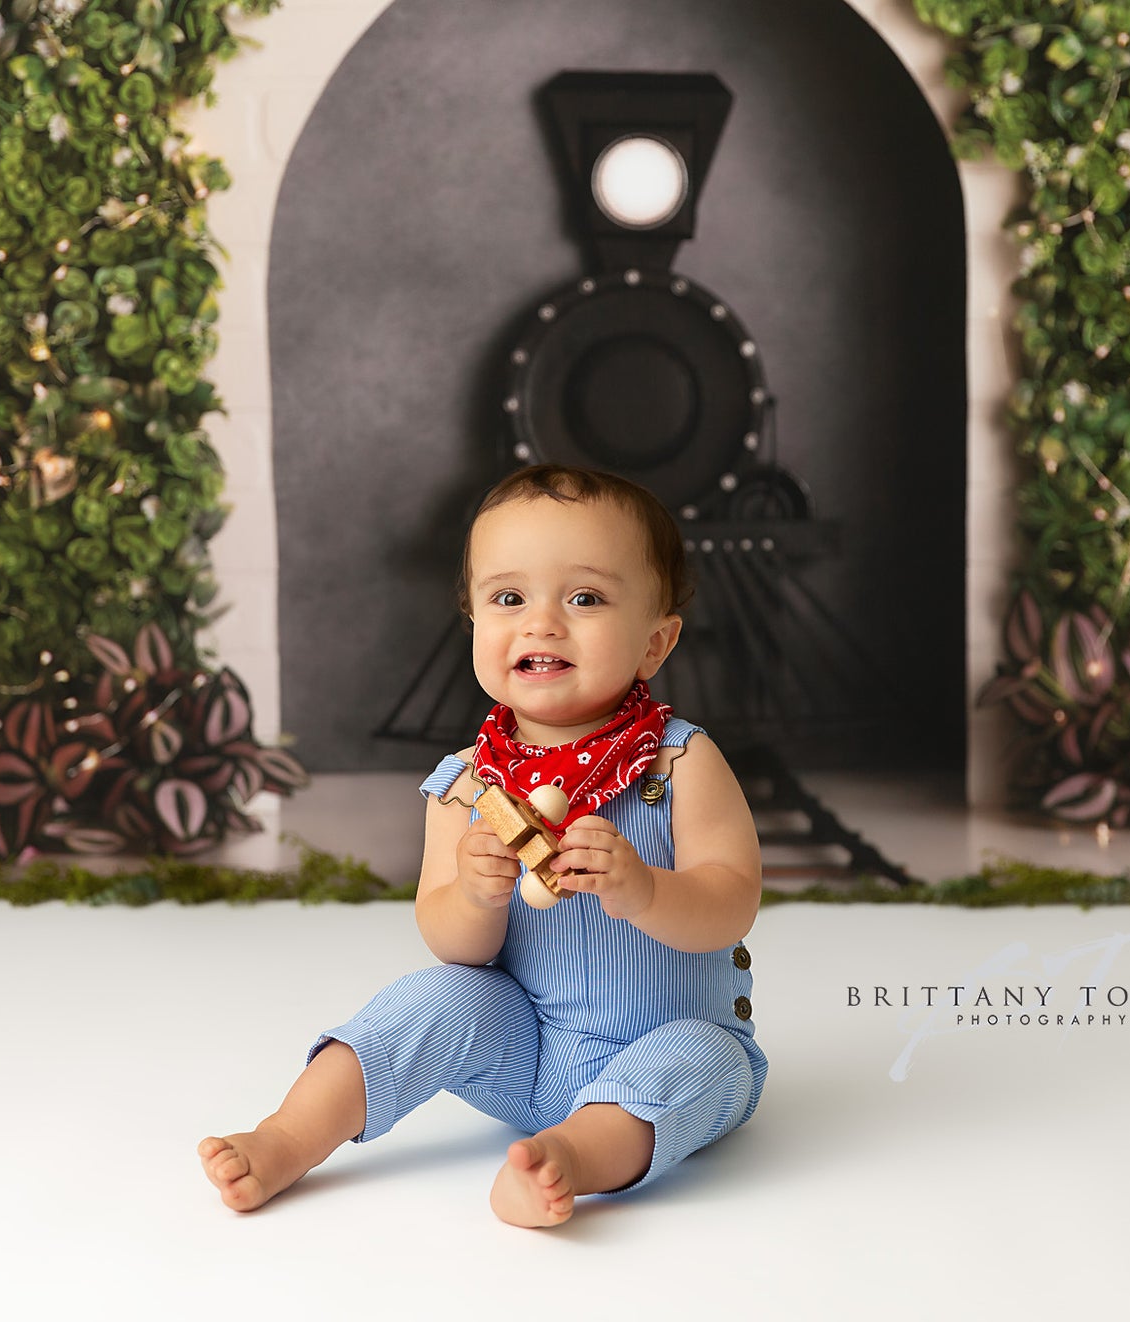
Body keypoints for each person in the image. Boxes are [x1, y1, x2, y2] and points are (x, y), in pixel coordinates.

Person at [197, 464, 766, 1227]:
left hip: (661, 1039)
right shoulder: (467, 786)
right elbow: (453, 944)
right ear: (473, 623)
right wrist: (472, 895)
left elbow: (732, 902)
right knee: (437, 996)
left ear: (655, 643)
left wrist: (646, 890)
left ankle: (569, 1159)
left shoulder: (678, 763)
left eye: (585, 598)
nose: (542, 623)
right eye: (508, 598)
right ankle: (288, 1136)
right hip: (524, 1047)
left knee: (704, 1062)